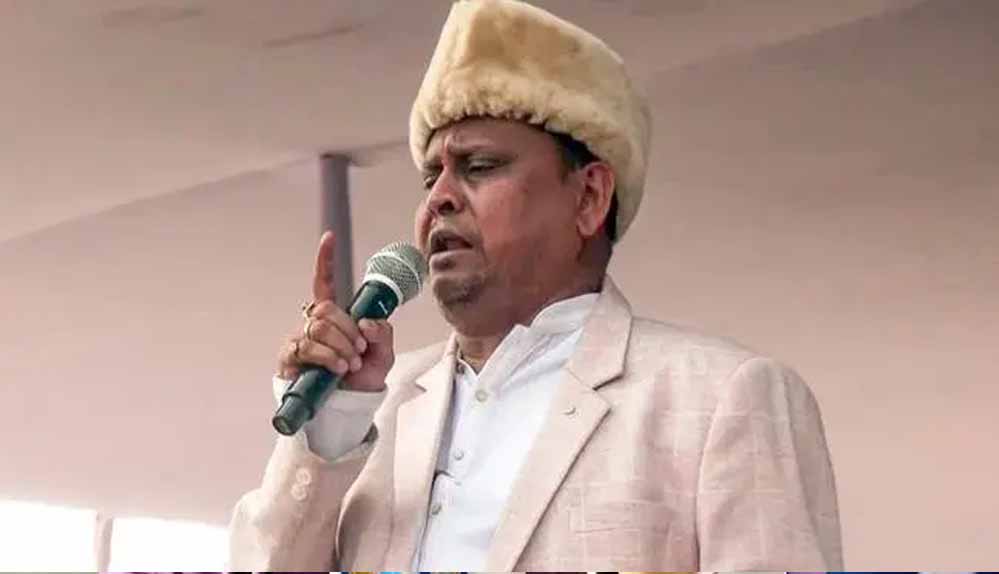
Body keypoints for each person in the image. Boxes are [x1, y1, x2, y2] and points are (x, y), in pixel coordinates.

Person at [227, 0, 843, 570]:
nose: (440, 198)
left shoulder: (719, 398)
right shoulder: (377, 408)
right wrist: (333, 424)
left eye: (479, 166)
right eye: (430, 178)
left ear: (589, 197)